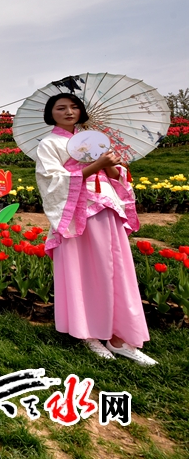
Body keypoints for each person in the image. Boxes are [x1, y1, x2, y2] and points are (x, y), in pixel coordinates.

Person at [35, 93, 155, 366]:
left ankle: (120, 338)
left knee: (117, 270)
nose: (69, 112)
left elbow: (114, 175)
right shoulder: (49, 144)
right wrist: (94, 166)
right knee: (86, 271)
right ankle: (89, 334)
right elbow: (52, 180)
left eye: (74, 107)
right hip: (78, 212)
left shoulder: (92, 140)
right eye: (61, 108)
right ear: (50, 113)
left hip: (107, 206)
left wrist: (110, 166)